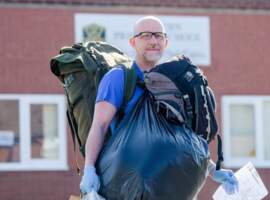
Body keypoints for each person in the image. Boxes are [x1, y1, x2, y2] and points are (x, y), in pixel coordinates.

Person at [80, 15, 239, 196]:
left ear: (166, 42)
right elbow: (99, 126)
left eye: (158, 36)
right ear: (133, 42)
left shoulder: (172, 83)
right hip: (127, 186)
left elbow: (182, 137)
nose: (153, 41)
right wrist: (89, 168)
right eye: (146, 35)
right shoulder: (119, 78)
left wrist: (212, 169)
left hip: (169, 187)